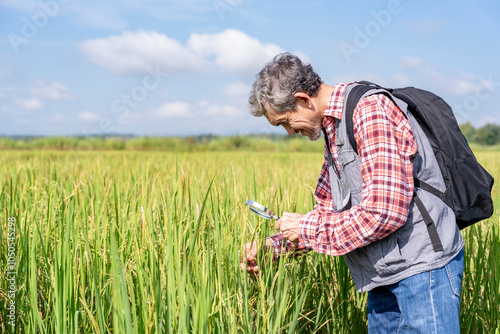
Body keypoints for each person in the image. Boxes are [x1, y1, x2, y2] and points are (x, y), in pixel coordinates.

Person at [241, 52, 464, 333]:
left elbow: (384, 213)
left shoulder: (368, 112)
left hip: (422, 273)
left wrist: (305, 226)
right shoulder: (333, 128)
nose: (289, 132)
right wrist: (271, 249)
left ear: (302, 100)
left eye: (285, 121)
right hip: (383, 274)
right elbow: (327, 213)